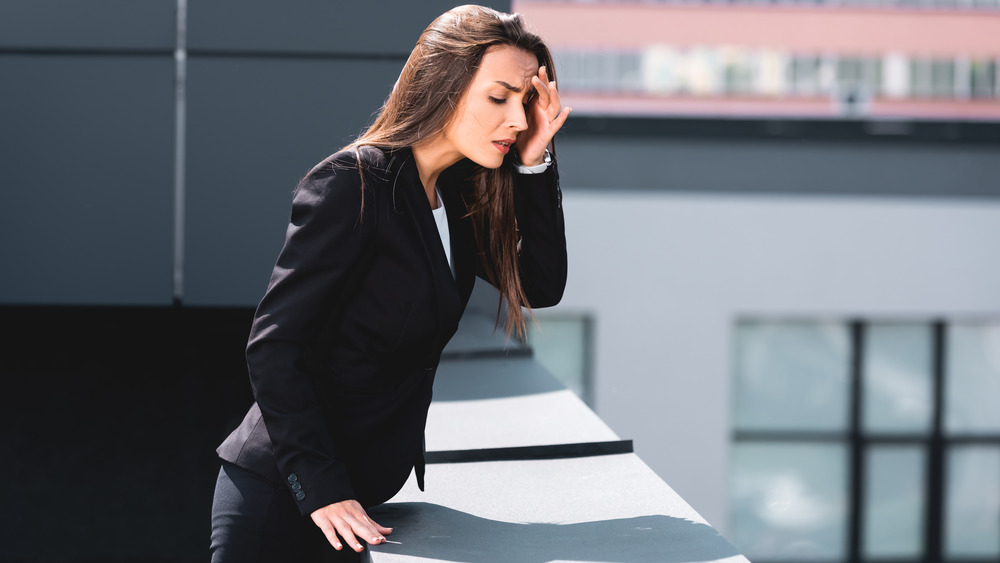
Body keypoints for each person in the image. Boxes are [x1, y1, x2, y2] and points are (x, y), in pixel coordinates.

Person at [209, 5, 570, 562]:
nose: (518, 120)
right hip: (285, 497)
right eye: (499, 98)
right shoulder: (354, 183)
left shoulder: (459, 195)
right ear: (443, 87)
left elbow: (539, 285)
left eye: (524, 103)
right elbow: (274, 345)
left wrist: (535, 163)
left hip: (369, 500)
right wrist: (320, 488)